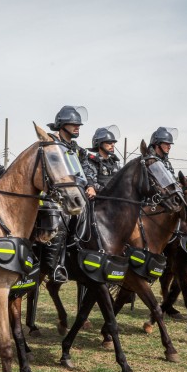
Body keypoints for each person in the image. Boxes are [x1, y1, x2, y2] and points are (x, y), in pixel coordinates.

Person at [40, 106, 92, 282]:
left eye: (79, 124)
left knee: (88, 215)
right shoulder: (52, 144)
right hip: (52, 194)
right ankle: (53, 266)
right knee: (63, 219)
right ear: (62, 125)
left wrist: (90, 184)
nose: (78, 127)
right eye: (74, 124)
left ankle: (75, 254)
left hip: (71, 194)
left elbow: (87, 168)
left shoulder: (77, 149)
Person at [85, 125, 121, 191]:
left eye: (113, 143)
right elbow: (91, 183)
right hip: (100, 198)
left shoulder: (115, 163)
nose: (113, 145)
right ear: (99, 144)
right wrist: (108, 191)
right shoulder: (92, 161)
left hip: (116, 198)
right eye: (109, 142)